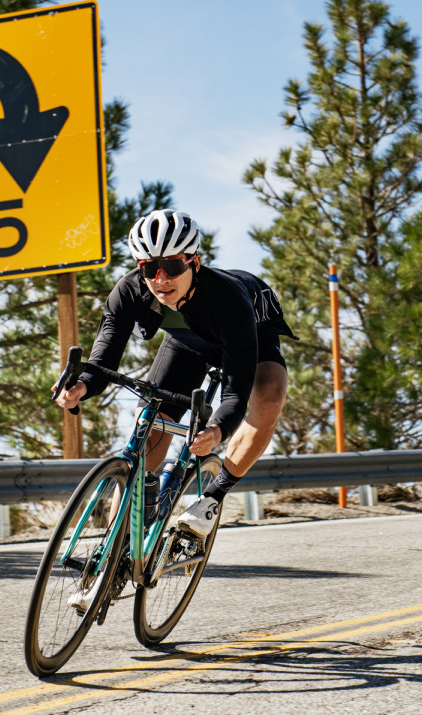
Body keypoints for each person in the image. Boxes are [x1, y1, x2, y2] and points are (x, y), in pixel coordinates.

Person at [53, 208, 294, 539]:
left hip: (251, 332)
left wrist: (217, 431)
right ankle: (113, 546)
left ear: (194, 262)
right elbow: (104, 356)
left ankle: (212, 497)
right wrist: (83, 385)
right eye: (150, 268)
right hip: (187, 343)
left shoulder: (228, 299)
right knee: (149, 424)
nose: (161, 279)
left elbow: (235, 392)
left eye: (173, 266)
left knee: (269, 395)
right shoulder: (129, 291)